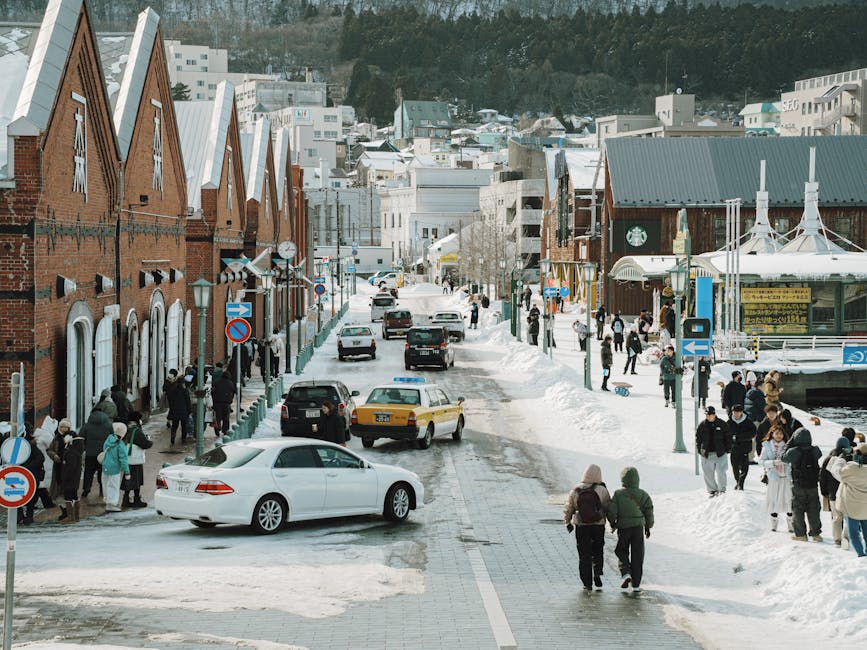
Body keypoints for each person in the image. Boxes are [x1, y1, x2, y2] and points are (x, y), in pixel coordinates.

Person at [563, 464, 611, 592]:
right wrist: (612, 522)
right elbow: (608, 507)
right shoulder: (602, 490)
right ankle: (597, 572)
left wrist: (567, 522)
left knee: (584, 554)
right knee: (598, 549)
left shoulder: (576, 490)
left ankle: (587, 583)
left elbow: (569, 507)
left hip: (581, 525)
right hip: (598, 525)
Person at [607, 467, 654, 593]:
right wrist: (648, 526)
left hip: (624, 528)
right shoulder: (643, 494)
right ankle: (636, 584)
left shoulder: (618, 494)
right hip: (638, 528)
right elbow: (649, 510)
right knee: (638, 555)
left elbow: (612, 511)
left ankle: (626, 572)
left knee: (621, 550)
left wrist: (613, 522)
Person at [782, 427, 823, 542]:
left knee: (798, 509)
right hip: (813, 485)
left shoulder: (793, 452)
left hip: (798, 484)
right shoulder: (816, 450)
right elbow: (818, 456)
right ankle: (816, 534)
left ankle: (801, 535)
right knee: (814, 509)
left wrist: (790, 442)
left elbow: (783, 457)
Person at [829, 443, 867, 557]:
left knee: (853, 533)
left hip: (852, 506)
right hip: (866, 507)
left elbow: (835, 471)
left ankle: (861, 555)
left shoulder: (851, 469)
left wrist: (842, 458)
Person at [759, 424, 794, 532]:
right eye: (777, 433)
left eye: (781, 433)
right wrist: (773, 462)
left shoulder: (788, 446)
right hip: (774, 477)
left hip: (786, 477)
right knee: (773, 500)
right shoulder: (767, 446)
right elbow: (761, 461)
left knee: (789, 500)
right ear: (772, 434)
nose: (779, 435)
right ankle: (774, 524)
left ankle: (791, 525)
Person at [821, 437, 854, 547]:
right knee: (847, 517)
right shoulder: (850, 459)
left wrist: (824, 492)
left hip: (832, 494)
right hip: (847, 493)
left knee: (836, 517)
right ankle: (845, 537)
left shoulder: (828, 459)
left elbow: (822, 477)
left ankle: (837, 540)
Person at [696, 406, 731, 497]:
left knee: (721, 471)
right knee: (708, 473)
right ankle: (712, 491)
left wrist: (727, 449)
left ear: (714, 414)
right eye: (707, 415)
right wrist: (700, 450)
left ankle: (722, 490)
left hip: (720, 453)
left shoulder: (722, 424)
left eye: (710, 415)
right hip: (706, 453)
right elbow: (698, 439)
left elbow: (728, 437)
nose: (708, 417)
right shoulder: (702, 425)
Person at [123, 412, 153, 509]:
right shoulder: (136, 431)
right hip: (135, 460)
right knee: (136, 480)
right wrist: (149, 440)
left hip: (127, 459)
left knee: (128, 479)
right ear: (137, 420)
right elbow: (145, 444)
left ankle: (126, 499)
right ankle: (136, 499)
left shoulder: (126, 429)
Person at [80, 408, 112, 498]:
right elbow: (112, 437)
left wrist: (85, 447)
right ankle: (102, 489)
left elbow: (81, 437)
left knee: (89, 472)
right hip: (104, 454)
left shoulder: (87, 425)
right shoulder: (109, 425)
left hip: (90, 453)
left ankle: (86, 489)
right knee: (102, 472)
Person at [101, 422, 130, 513]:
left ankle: (107, 501)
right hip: (115, 468)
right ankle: (112, 504)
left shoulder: (108, 439)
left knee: (105, 484)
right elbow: (124, 460)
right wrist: (127, 472)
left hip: (105, 466)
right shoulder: (120, 445)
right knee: (113, 486)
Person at [19, 426, 45, 525]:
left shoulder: (30, 445)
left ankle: (29, 516)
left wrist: (28, 468)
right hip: (19, 474)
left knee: (31, 496)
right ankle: (19, 515)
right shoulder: (13, 443)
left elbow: (40, 458)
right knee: (17, 494)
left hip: (31, 475)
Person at [728, 404, 756, 490]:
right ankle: (738, 482)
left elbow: (753, 432)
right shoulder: (729, 422)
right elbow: (726, 434)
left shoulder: (748, 422)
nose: (736, 414)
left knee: (744, 468)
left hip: (744, 448)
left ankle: (741, 482)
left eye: (738, 412)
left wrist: (739, 437)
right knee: (735, 467)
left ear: (741, 412)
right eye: (734, 412)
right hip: (733, 448)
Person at [60, 429, 85, 524]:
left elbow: (70, 466)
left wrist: (65, 477)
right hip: (75, 477)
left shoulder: (71, 451)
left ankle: (71, 516)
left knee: (68, 496)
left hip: (70, 478)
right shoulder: (77, 448)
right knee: (74, 495)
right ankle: (76, 516)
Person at [167, 373, 192, 445]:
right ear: (183, 383)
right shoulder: (185, 391)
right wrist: (189, 411)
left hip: (174, 410)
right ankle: (183, 439)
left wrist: (172, 408)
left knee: (174, 425)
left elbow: (170, 400)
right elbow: (188, 401)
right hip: (183, 411)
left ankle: (172, 437)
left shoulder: (172, 390)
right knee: (184, 426)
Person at [211, 369, 236, 437]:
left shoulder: (216, 382)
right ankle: (225, 430)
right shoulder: (230, 383)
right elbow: (233, 391)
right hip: (226, 403)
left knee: (218, 417)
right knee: (226, 417)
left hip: (217, 403)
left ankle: (217, 427)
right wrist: (230, 399)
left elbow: (212, 391)